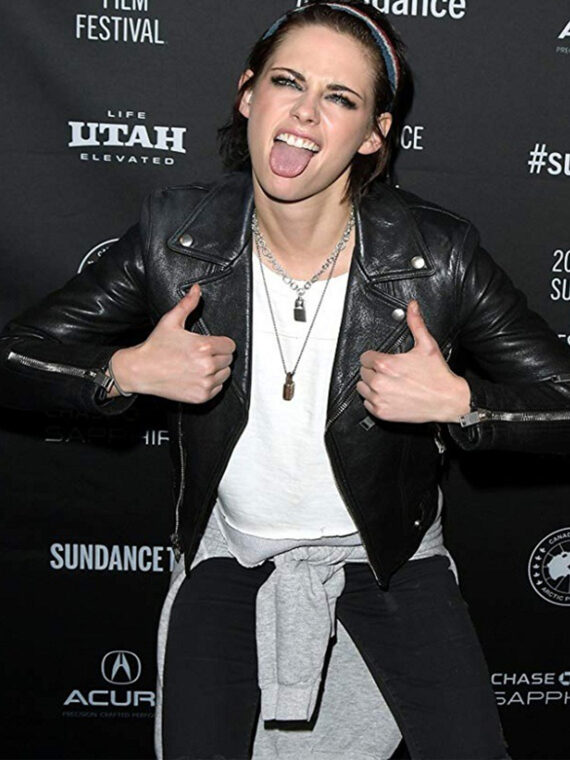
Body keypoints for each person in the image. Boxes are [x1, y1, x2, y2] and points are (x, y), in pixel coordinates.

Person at [1, 1, 570, 758]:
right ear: (248, 95)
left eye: (339, 97)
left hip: (392, 560)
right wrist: (124, 371)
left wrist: (462, 403)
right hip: (229, 555)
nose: (304, 112)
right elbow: (15, 358)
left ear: (373, 135)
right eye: (287, 82)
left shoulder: (438, 256)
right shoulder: (176, 236)